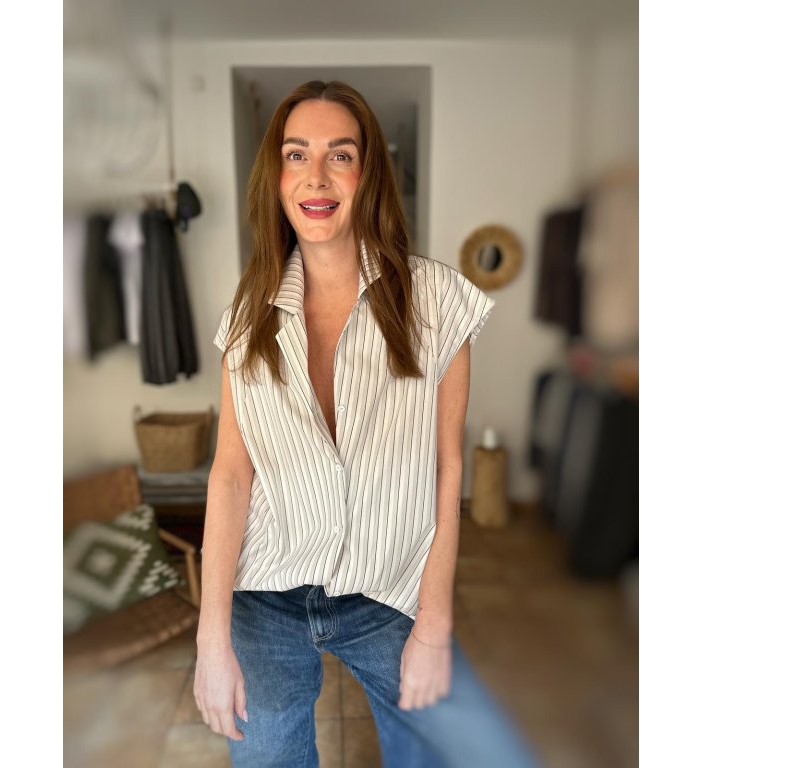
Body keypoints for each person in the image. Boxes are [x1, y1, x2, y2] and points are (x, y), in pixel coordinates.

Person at [193, 80, 539, 767]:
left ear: (369, 172)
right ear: (277, 177)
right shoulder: (247, 315)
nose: (316, 176)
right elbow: (230, 475)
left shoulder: (436, 300)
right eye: (296, 155)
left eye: (341, 155)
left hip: (389, 590)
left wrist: (434, 625)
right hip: (265, 591)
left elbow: (447, 467)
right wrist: (211, 639)